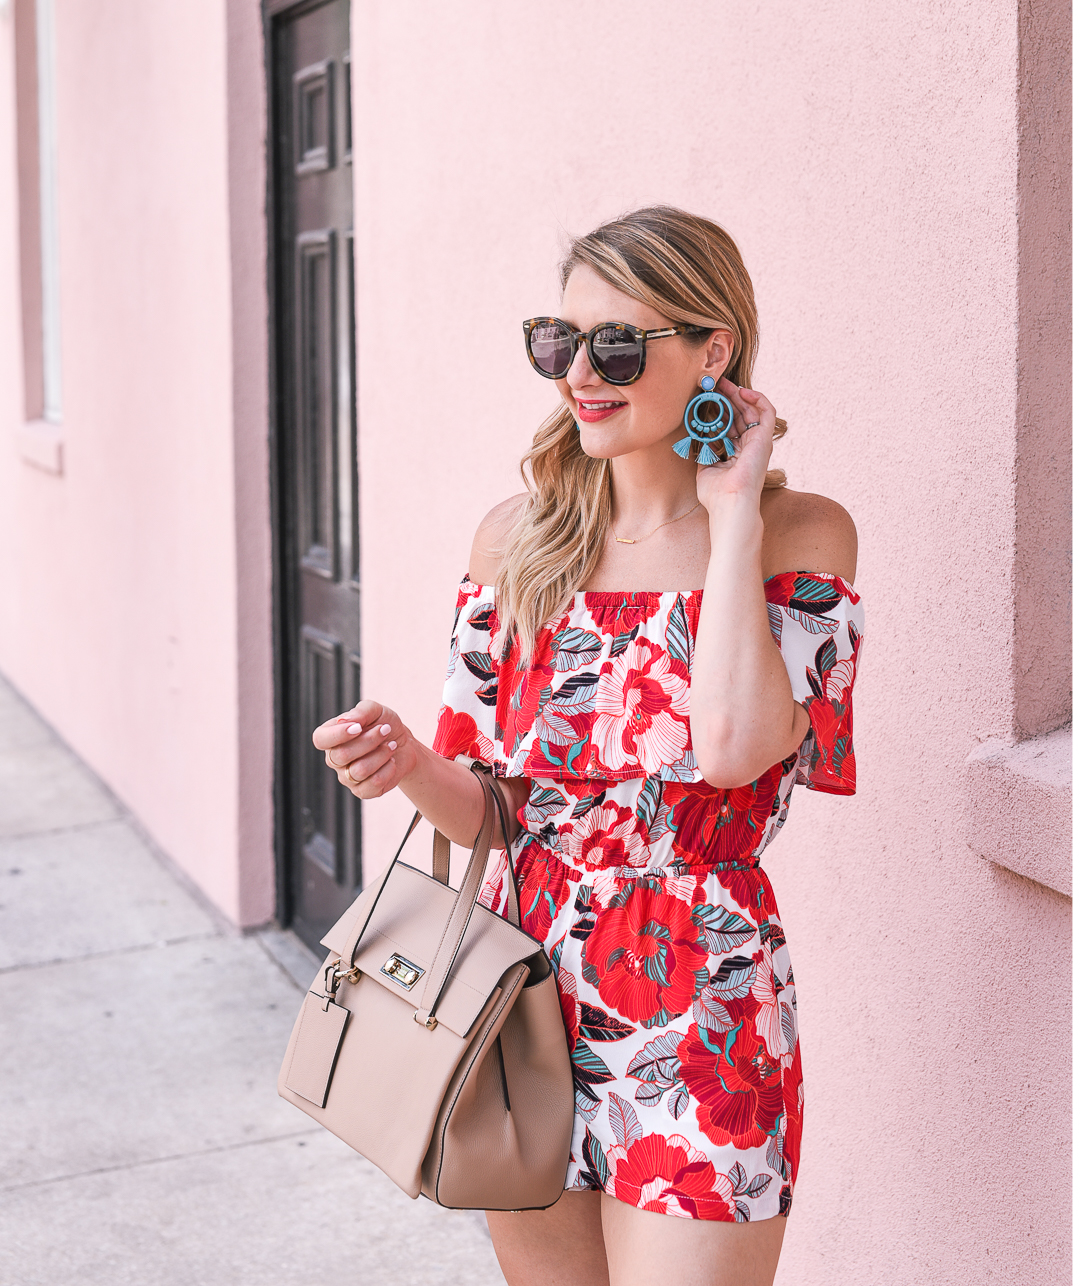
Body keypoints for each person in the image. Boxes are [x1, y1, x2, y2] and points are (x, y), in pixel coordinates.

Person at [313, 206, 862, 1286]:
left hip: (705, 990)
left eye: (617, 344)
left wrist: (734, 509)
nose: (580, 374)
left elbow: (735, 750)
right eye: (558, 342)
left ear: (716, 350)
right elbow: (496, 814)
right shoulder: (515, 543)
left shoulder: (803, 537)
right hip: (517, 996)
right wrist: (410, 764)